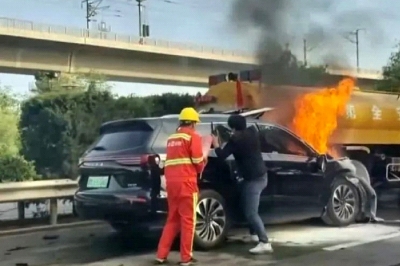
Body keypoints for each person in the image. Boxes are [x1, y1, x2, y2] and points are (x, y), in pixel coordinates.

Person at [211, 114, 273, 255]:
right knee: (246, 204)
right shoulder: (252, 132)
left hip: (254, 180)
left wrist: (216, 145)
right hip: (260, 176)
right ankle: (254, 234)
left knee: (251, 212)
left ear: (233, 128)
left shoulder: (236, 140)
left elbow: (222, 155)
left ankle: (264, 242)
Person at [155, 107, 206, 266]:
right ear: (192, 124)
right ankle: (186, 258)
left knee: (172, 220)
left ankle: (161, 255)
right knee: (188, 221)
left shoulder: (172, 138)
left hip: (172, 185)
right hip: (187, 184)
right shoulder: (192, 137)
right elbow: (197, 163)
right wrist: (204, 162)